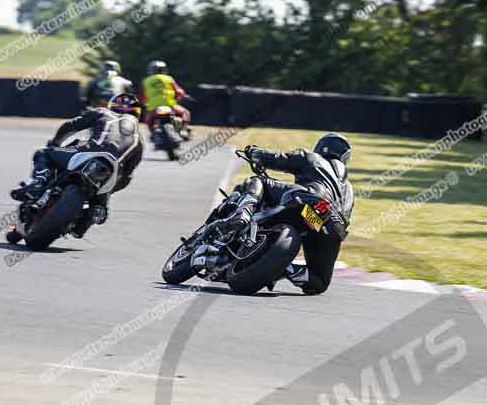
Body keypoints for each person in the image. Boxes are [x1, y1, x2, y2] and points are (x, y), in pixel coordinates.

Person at [215, 133, 355, 295]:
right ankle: (286, 267)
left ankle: (244, 213)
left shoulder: (311, 158)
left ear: (321, 146)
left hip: (306, 202)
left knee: (258, 181)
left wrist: (253, 152)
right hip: (330, 226)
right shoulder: (349, 188)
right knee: (318, 283)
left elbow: (277, 159)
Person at [10, 93, 145, 237]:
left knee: (44, 153)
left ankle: (38, 183)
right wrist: (108, 192)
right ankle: (95, 212)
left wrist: (55, 143)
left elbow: (70, 126)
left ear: (112, 106)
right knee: (102, 201)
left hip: (88, 152)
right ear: (137, 114)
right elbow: (127, 176)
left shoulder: (102, 112)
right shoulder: (140, 139)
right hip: (112, 169)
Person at [140, 60, 191, 132]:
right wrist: (182, 96)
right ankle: (184, 129)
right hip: (169, 104)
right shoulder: (168, 78)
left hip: (153, 107)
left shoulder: (146, 81)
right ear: (164, 69)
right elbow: (180, 91)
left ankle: (153, 134)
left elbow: (143, 97)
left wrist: (145, 103)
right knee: (186, 112)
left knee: (148, 121)